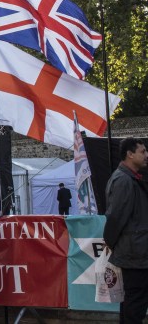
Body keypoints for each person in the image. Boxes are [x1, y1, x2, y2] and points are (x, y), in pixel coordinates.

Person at [104, 137, 148, 324]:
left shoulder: (130, 178)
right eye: (143, 152)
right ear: (130, 154)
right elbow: (115, 218)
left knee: (133, 304)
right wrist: (111, 241)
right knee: (134, 306)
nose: (146, 155)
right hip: (134, 254)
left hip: (137, 252)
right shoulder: (123, 180)